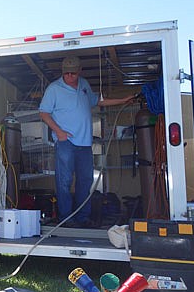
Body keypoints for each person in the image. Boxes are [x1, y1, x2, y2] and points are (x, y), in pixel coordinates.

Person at [39, 56, 135, 227]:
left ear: (79, 71)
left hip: (84, 144)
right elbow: (44, 113)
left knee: (86, 180)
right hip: (66, 142)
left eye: (73, 73)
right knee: (65, 181)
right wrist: (59, 132)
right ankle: (66, 219)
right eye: (66, 73)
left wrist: (122, 100)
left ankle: (82, 218)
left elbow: (98, 101)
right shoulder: (54, 89)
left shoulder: (84, 85)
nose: (69, 76)